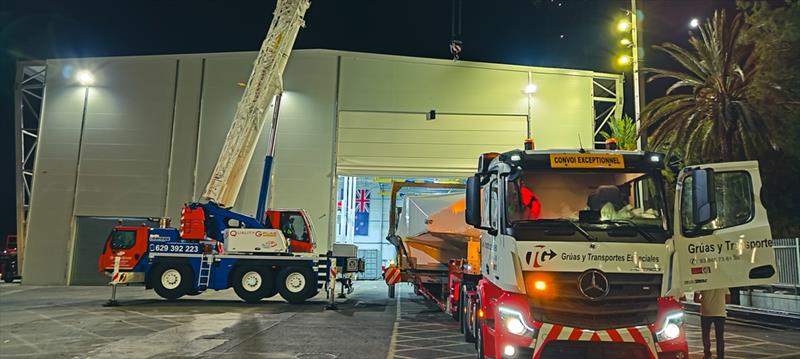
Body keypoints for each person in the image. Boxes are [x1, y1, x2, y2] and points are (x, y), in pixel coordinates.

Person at [695, 288, 731, 359]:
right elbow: (728, 300)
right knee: (720, 337)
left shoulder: (704, 282)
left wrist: (704, 300)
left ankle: (707, 354)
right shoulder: (723, 283)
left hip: (706, 312)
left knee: (705, 334)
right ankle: (720, 356)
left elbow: (696, 299)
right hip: (720, 312)